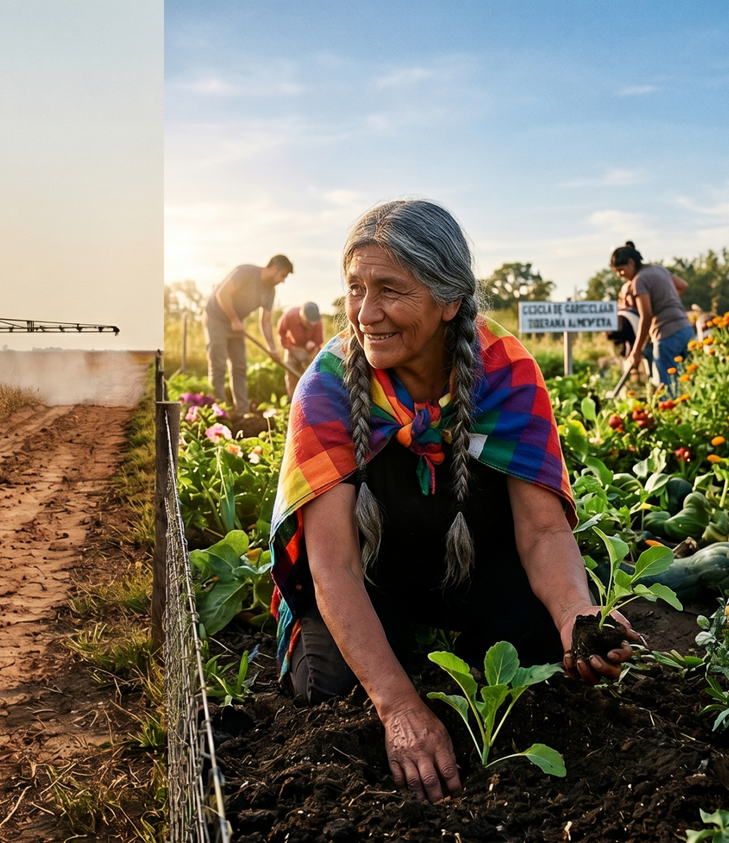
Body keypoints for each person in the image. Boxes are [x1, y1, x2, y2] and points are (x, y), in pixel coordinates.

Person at [269, 200, 638, 801]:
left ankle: (462, 648)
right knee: (328, 687)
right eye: (356, 288)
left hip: (474, 572)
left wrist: (576, 613)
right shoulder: (329, 387)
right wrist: (397, 706)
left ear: (449, 302)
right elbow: (331, 565)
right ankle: (399, 655)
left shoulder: (505, 372)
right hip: (371, 577)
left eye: (390, 289)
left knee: (553, 651)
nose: (366, 313)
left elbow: (544, 532)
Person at [204, 255, 293, 415]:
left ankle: (242, 412)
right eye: (283, 275)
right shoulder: (246, 272)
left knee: (239, 367)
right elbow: (222, 294)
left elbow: (265, 321)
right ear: (274, 268)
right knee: (218, 366)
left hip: (237, 324)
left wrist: (272, 349)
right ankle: (218, 410)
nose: (283, 280)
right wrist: (233, 319)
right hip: (216, 319)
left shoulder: (270, 292)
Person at [611, 242, 693, 393]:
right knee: (690, 382)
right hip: (686, 330)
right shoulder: (658, 269)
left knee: (668, 390)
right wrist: (664, 302)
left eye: (621, 271)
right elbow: (682, 286)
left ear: (631, 263)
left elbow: (646, 316)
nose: (620, 276)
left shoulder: (639, 281)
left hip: (666, 336)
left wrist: (636, 351)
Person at [277, 301, 325, 396]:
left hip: (309, 351)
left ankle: (311, 398)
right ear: (301, 315)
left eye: (313, 324)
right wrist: (289, 347)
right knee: (291, 376)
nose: (311, 325)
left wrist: (313, 346)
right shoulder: (290, 315)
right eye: (308, 323)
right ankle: (292, 400)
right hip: (292, 349)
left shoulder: (318, 322)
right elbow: (281, 332)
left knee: (311, 376)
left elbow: (318, 342)